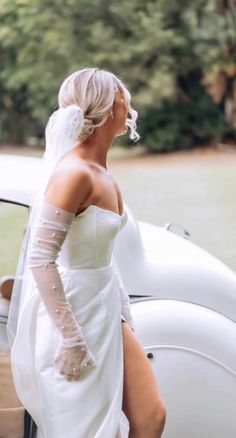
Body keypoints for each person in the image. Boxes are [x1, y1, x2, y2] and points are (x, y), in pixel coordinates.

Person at [7, 68, 166, 438]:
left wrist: (122, 311)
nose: (129, 104)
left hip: (106, 309)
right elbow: (40, 260)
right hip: (72, 316)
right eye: (123, 96)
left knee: (151, 415)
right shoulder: (73, 173)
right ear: (112, 106)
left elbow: (102, 258)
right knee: (87, 430)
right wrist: (71, 337)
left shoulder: (102, 172)